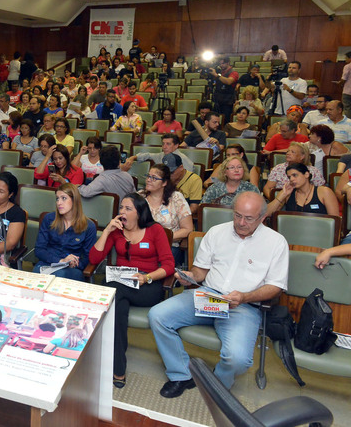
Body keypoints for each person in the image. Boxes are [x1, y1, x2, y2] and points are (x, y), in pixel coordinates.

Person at [149, 192, 288, 394]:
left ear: (262, 218)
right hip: (208, 295)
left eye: (248, 218)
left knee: (238, 359)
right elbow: (200, 272)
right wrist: (191, 276)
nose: (241, 222)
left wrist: (245, 297)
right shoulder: (217, 232)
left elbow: (275, 286)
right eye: (237, 215)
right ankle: (181, 374)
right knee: (157, 315)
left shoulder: (276, 242)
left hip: (243, 306)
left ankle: (218, 381)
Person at [90, 193, 174, 388]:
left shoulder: (155, 230)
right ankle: (118, 366)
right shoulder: (117, 231)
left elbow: (169, 265)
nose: (122, 212)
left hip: (148, 285)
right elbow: (94, 259)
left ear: (139, 212)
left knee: (111, 292)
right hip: (121, 284)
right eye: (121, 208)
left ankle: (106, 361)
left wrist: (147, 277)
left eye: (128, 209)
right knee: (117, 304)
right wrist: (107, 231)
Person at [33, 183, 98, 280]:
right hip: (48, 263)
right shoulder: (49, 219)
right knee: (37, 272)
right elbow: (39, 250)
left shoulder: (89, 226)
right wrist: (61, 261)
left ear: (74, 200)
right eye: (57, 199)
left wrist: (74, 263)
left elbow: (88, 258)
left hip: (72, 269)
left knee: (60, 275)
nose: (59, 203)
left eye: (63, 198)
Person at [140, 164, 193, 265]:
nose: (148, 180)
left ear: (164, 183)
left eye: (154, 178)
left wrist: (162, 238)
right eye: (148, 176)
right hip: (142, 244)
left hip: (169, 245)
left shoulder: (176, 198)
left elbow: (188, 229)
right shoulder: (140, 197)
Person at [266, 162, 339, 217]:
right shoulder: (288, 193)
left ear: (306, 174)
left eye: (295, 175)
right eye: (289, 177)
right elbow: (267, 213)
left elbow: (335, 221)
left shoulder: (324, 192)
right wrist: (282, 195)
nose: (291, 179)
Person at [124, 133, 195, 173]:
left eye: (168, 144)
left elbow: (187, 179)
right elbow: (147, 155)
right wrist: (133, 157)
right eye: (163, 144)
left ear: (176, 145)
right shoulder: (160, 155)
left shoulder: (183, 159)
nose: (164, 147)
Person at [209, 58, 239, 122]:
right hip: (218, 100)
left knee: (225, 120)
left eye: (223, 63)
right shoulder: (220, 72)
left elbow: (229, 81)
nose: (221, 65)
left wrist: (216, 75)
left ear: (228, 63)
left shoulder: (233, 72)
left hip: (227, 102)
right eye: (220, 64)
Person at [336, 51, 351, 118]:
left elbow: (344, 78)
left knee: (347, 108)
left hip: (347, 91)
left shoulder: (348, 66)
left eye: (346, 58)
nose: (345, 59)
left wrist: (340, 83)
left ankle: (348, 122)